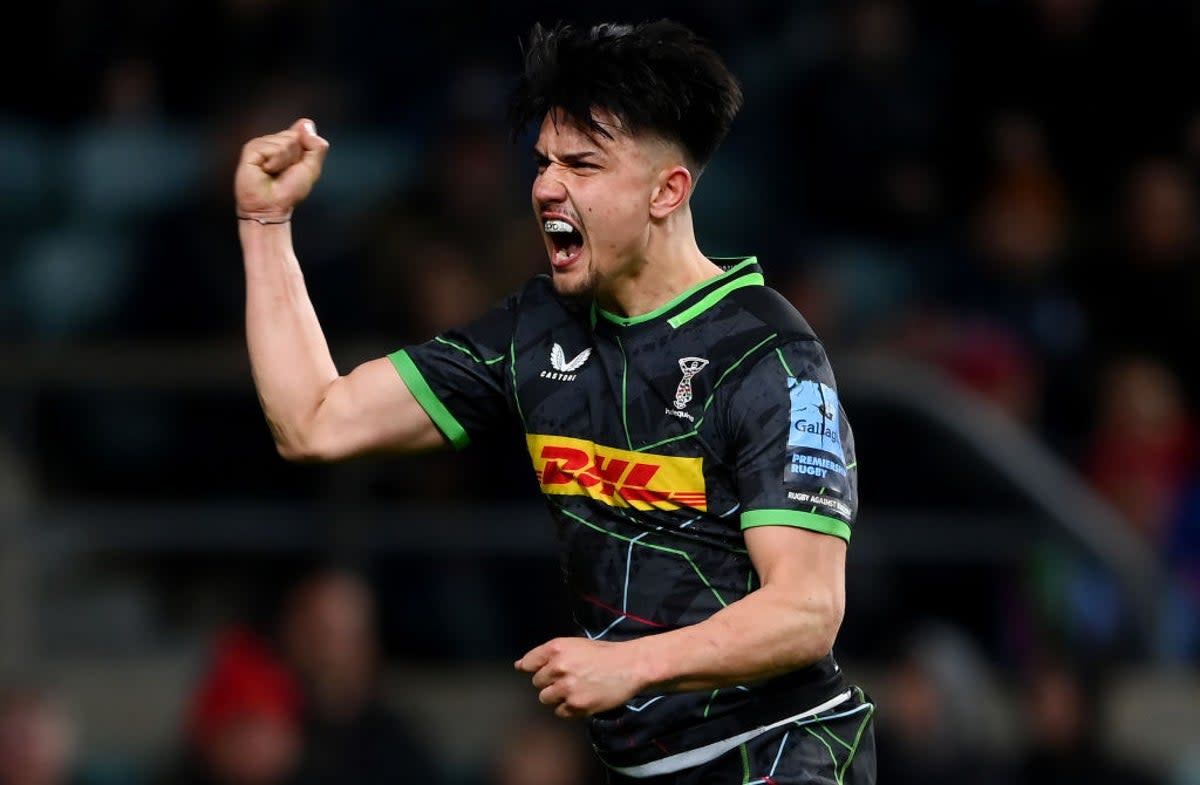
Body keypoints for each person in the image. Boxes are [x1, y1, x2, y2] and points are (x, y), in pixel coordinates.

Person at [235, 19, 873, 784]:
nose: (546, 186)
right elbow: (315, 420)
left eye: (582, 163)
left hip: (784, 753)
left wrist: (631, 665)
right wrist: (265, 225)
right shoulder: (534, 332)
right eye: (542, 162)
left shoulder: (770, 355)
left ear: (668, 190)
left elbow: (806, 609)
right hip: (641, 765)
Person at [276, 568, 440, 785]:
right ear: (290, 635)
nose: (327, 653)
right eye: (317, 635)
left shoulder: (396, 746)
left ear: (369, 646)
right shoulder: (260, 730)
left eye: (343, 640)